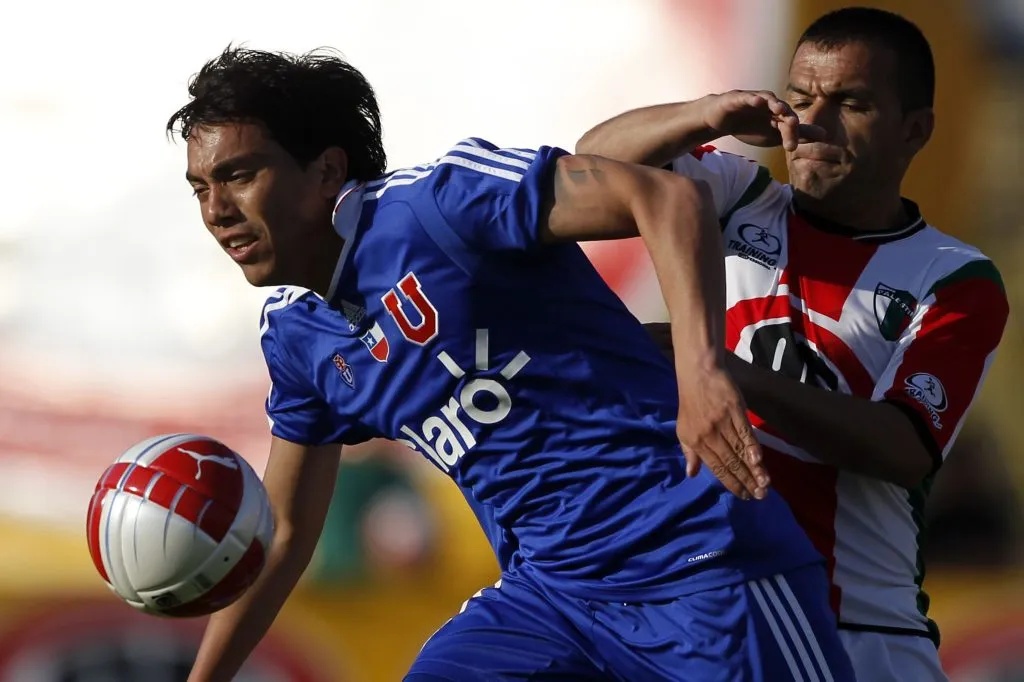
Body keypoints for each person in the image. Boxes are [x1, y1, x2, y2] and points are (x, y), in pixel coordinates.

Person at [168, 47, 856, 681]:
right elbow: (285, 532)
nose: (217, 211)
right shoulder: (298, 336)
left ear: (326, 170)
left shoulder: (439, 206)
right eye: (200, 187)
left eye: (238, 174)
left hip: (703, 562)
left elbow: (668, 196)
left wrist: (701, 372)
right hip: (552, 597)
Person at [577, 7, 1010, 682]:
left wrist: (718, 369)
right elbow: (592, 164)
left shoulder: (954, 276)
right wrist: (708, 113)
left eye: (850, 103)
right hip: (715, 612)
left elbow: (900, 449)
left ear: (915, 130)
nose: (813, 125)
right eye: (801, 99)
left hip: (859, 633)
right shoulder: (736, 195)